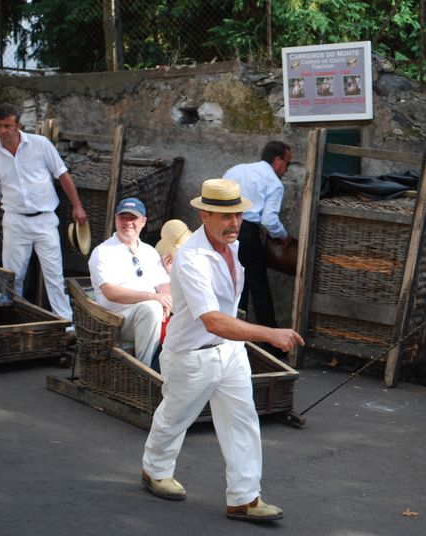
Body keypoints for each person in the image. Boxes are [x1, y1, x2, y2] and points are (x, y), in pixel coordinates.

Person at [141, 178, 304, 523]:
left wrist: (245, 338)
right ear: (203, 215)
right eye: (224, 216)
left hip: (229, 351)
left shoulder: (231, 245)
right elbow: (213, 320)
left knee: (243, 420)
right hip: (191, 354)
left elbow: (226, 315)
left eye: (238, 215)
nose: (234, 223)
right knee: (175, 418)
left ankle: (244, 498)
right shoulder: (191, 257)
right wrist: (270, 334)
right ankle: (154, 470)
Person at [0, 103, 88, 331]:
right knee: (14, 278)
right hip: (15, 221)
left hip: (45, 219)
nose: (3, 131)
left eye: (7, 126)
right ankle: (16, 324)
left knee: (54, 275)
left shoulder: (40, 145)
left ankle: (67, 326)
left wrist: (77, 206)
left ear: (18, 125)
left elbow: (62, 175)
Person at [88, 198, 171, 368]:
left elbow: (163, 284)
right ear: (116, 220)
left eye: (133, 218)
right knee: (151, 308)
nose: (128, 222)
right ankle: (145, 371)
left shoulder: (149, 251)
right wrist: (154, 297)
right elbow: (111, 292)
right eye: (123, 217)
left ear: (143, 222)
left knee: (186, 309)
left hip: (148, 314)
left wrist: (166, 300)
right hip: (114, 320)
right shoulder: (102, 251)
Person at [222, 141, 293, 334]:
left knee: (233, 283)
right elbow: (269, 220)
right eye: (287, 163)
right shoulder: (274, 183)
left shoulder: (236, 170)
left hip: (222, 230)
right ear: (277, 160)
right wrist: (284, 237)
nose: (286, 169)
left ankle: (233, 333)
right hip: (246, 232)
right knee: (258, 285)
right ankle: (269, 340)